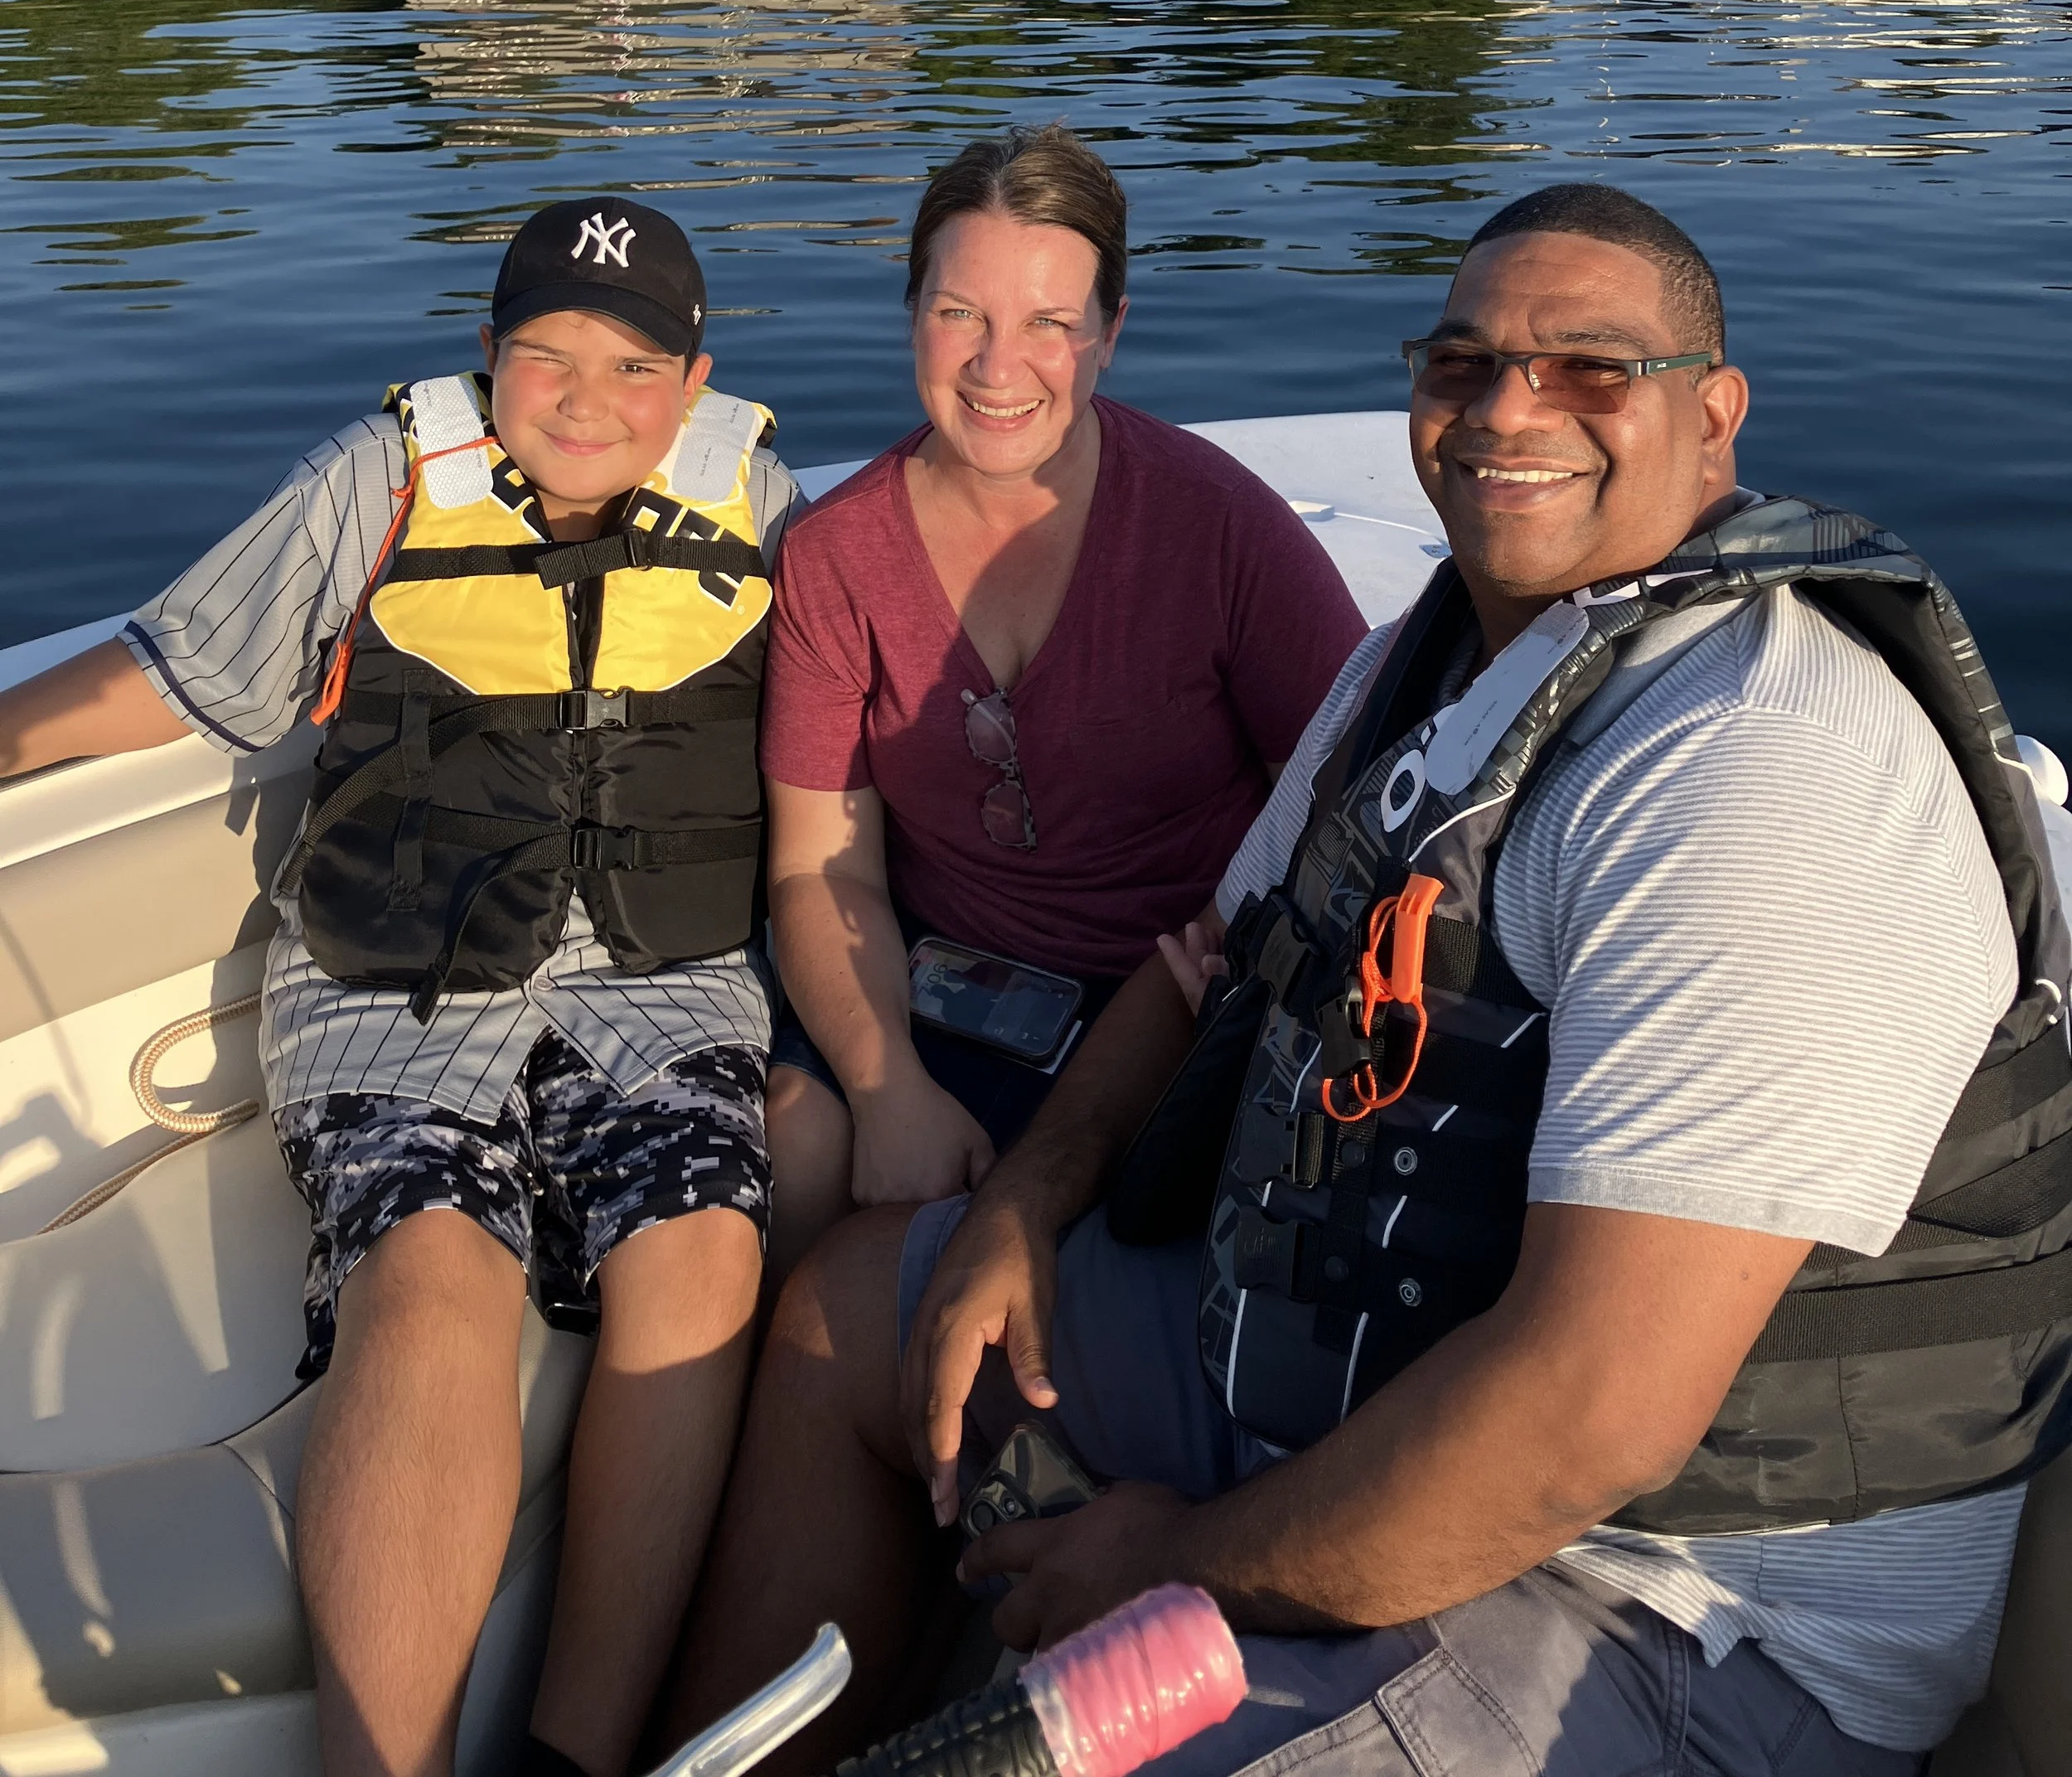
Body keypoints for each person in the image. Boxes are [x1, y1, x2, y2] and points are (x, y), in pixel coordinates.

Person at [654, 182, 2072, 1777]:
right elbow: (1208, 963)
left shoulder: (1754, 770)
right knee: (861, 1316)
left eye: (1588, 371)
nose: (1507, 411)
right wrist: (1022, 1207)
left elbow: (1586, 1423)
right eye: (1461, 365)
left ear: (1715, 416)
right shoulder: (1436, 670)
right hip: (1350, 1366)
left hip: (1652, 1601)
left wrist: (1172, 1557)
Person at [0, 197, 796, 1777]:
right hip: (394, 981)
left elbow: (870, 735)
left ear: (692, 383)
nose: (585, 399)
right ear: (487, 358)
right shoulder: (374, 487)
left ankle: (582, 1749)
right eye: (545, 355)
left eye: (633, 366)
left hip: (660, 985)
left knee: (701, 1250)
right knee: (436, 1266)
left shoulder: (763, 508)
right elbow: (178, 670)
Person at [758, 126, 1367, 1281]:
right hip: (940, 991)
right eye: (960, 314)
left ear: (1110, 335)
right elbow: (820, 871)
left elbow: (1356, 798)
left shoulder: (1219, 530)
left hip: (1172, 1006)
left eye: (1050, 322)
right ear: (912, 313)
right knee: (802, 1132)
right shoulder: (836, 557)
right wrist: (887, 1085)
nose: (999, 367)